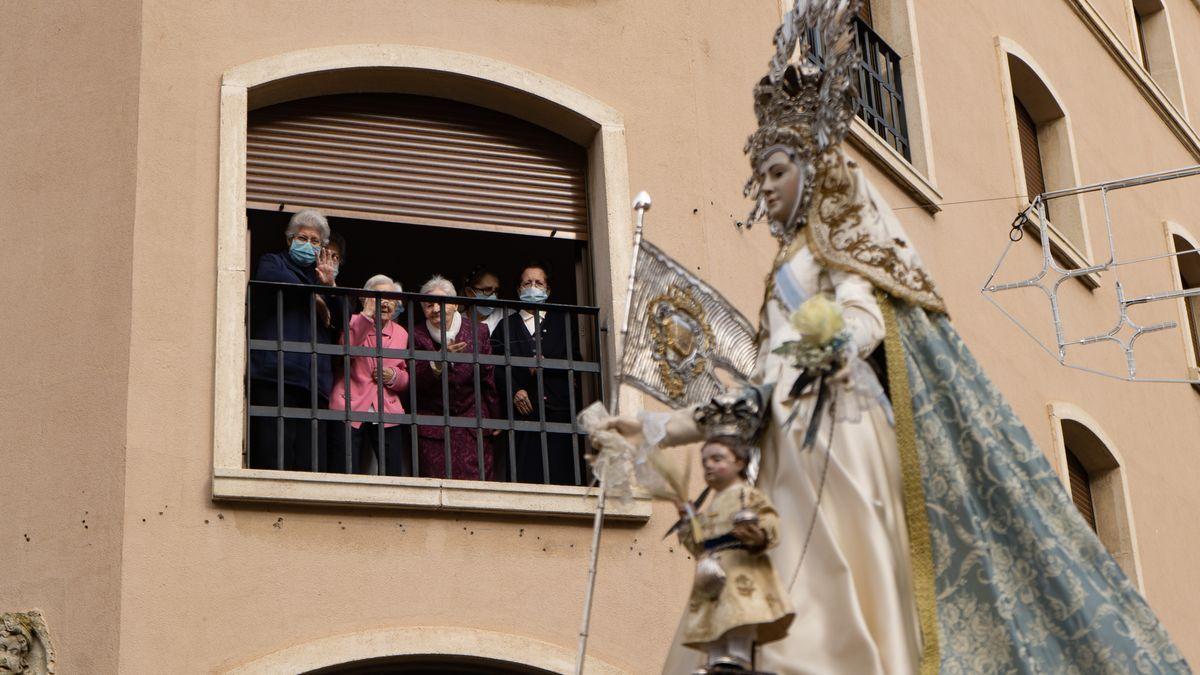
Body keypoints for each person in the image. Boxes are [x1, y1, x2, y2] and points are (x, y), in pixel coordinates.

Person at [596, 4, 1188, 674]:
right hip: (785, 447)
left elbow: (868, 315)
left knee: (832, 603)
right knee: (760, 587)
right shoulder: (781, 275)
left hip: (842, 438)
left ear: (812, 170)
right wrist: (655, 427)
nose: (765, 190)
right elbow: (751, 397)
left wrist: (827, 347)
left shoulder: (842, 238)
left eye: (777, 173)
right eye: (759, 178)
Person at [675, 435, 793, 673]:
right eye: (704, 461)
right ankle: (716, 660)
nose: (708, 465)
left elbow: (769, 520)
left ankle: (738, 656)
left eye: (717, 459)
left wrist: (757, 532)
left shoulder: (748, 496)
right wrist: (690, 520)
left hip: (740, 565)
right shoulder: (713, 504)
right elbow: (699, 543)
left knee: (738, 613)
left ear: (739, 463)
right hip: (712, 568)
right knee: (715, 616)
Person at [247, 209, 343, 472]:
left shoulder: (321, 277)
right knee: (273, 454)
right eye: (303, 238)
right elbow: (271, 279)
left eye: (315, 241)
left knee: (309, 461)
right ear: (290, 240)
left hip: (314, 382)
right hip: (274, 375)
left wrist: (330, 287)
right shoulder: (273, 262)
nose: (308, 244)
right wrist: (313, 296)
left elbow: (342, 322)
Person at [495, 261, 583, 485]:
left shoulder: (563, 321)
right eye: (527, 283)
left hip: (558, 410)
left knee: (561, 474)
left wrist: (549, 364)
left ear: (548, 290)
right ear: (518, 289)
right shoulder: (506, 325)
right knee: (525, 476)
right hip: (523, 414)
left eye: (538, 283)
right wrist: (515, 391)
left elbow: (576, 361)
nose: (532, 287)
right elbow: (494, 367)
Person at [411, 275, 499, 480]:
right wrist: (439, 361)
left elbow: (488, 376)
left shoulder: (477, 331)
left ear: (454, 304)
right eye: (428, 305)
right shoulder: (416, 335)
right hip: (433, 428)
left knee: (477, 488)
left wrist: (494, 416)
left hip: (472, 424)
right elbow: (415, 379)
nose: (434, 309)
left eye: (440, 303)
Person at [328, 274, 411, 476]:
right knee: (346, 469)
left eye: (391, 299)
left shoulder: (401, 333)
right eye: (379, 296)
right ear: (365, 299)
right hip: (349, 402)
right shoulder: (353, 321)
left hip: (387, 409)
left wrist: (393, 376)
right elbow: (346, 351)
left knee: (392, 472)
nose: (385, 303)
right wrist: (366, 315)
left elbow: (406, 375)